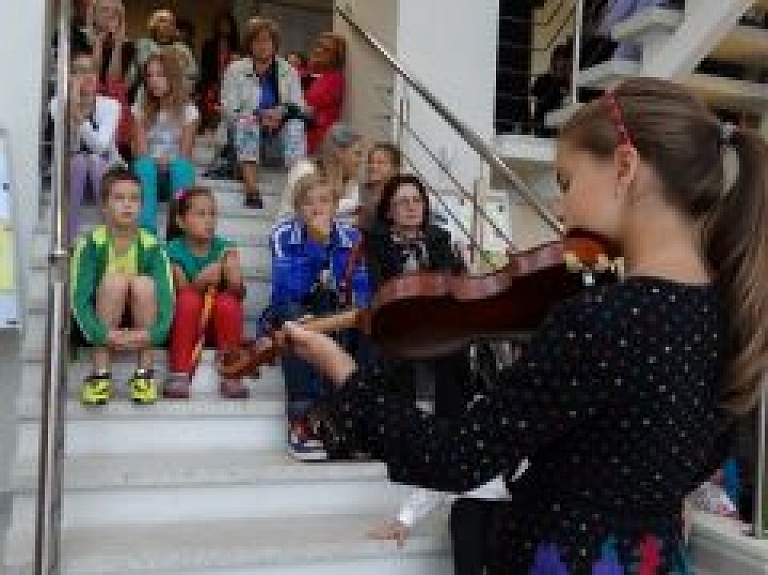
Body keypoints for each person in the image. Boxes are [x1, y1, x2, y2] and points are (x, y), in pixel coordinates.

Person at [281, 77, 768, 572]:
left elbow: (454, 457)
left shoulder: (601, 321)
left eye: (566, 182)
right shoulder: (737, 318)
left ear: (625, 167)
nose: (562, 207)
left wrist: (341, 368)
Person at [268, 171, 371, 461]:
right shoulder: (283, 234)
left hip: (337, 312)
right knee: (295, 319)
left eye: (324, 201)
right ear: (298, 209)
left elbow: (359, 288)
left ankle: (359, 417)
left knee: (370, 321)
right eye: (308, 203)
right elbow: (288, 291)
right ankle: (302, 418)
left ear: (335, 206)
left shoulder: (351, 237)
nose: (317, 209)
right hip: (296, 309)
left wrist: (331, 247)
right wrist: (316, 245)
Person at [70, 167, 174, 406]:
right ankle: (100, 375)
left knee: (145, 284)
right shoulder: (91, 244)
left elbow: (167, 299)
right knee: (114, 280)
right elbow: (78, 299)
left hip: (142, 318)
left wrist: (153, 334)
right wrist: (102, 334)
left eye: (134, 199)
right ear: (104, 206)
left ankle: (144, 376)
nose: (128, 205)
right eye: (119, 198)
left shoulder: (152, 246)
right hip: (101, 318)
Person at [164, 187, 249, 400]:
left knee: (228, 303)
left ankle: (231, 371)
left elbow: (239, 294)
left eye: (212, 213)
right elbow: (178, 296)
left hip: (216, 330)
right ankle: (179, 373)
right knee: (189, 299)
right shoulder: (172, 250)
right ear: (181, 222)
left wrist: (233, 280)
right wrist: (200, 283)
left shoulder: (225, 248)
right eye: (201, 214)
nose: (209, 220)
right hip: (185, 330)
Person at [221, 17, 307, 209]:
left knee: (296, 124)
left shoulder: (289, 71)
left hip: (277, 138)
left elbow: (298, 106)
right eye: (257, 40)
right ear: (249, 44)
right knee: (247, 121)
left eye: (267, 40)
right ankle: (252, 191)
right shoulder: (235, 70)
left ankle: (298, 190)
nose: (262, 45)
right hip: (244, 139)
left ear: (275, 44)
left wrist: (281, 112)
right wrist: (259, 116)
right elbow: (228, 109)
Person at [50, 50, 122, 241]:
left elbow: (101, 147)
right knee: (80, 161)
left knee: (95, 160)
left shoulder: (111, 106)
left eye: (91, 71)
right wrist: (73, 101)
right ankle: (68, 239)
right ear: (69, 76)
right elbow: (71, 146)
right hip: (73, 176)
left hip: (106, 176)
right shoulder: (57, 104)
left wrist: (76, 114)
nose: (87, 76)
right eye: (79, 71)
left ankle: (110, 237)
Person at [131, 49, 198, 234]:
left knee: (182, 167)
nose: (153, 80)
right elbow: (141, 152)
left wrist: (166, 162)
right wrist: (156, 162)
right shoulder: (140, 109)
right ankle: (146, 233)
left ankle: (177, 234)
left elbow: (185, 154)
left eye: (160, 74)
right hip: (148, 177)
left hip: (175, 178)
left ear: (173, 76)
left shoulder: (189, 111)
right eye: (150, 75)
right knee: (144, 166)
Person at [276, 123, 363, 222]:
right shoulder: (306, 170)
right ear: (340, 152)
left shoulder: (349, 180)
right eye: (357, 153)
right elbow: (310, 211)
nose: (360, 160)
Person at [91, 0, 135, 159]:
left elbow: (113, 80)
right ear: (94, 13)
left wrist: (117, 44)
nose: (109, 15)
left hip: (112, 99)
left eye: (114, 11)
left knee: (115, 90)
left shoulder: (128, 45)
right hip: (88, 98)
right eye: (104, 10)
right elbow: (91, 75)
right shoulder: (79, 37)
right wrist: (97, 42)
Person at [132, 9, 198, 97]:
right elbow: (144, 66)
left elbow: (193, 72)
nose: (167, 26)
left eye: (171, 23)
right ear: (154, 25)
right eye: (162, 21)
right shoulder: (144, 44)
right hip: (148, 94)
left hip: (176, 96)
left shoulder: (182, 47)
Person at [303, 33, 346, 155]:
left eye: (326, 49)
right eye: (318, 45)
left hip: (318, 142)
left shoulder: (335, 79)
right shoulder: (318, 75)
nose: (318, 50)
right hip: (305, 136)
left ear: (336, 57)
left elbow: (309, 108)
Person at [199, 9, 240, 130]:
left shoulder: (237, 46)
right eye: (221, 24)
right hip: (213, 84)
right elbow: (205, 67)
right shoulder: (208, 44)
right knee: (212, 113)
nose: (224, 27)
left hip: (232, 85)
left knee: (229, 115)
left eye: (227, 24)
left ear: (232, 26)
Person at [531, 43, 572, 138]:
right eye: (557, 66)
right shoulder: (542, 80)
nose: (560, 69)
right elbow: (539, 101)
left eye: (563, 67)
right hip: (543, 124)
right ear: (552, 62)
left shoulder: (570, 83)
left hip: (562, 124)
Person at [359, 142, 402, 231]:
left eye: (380, 162)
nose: (373, 166)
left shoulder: (402, 192)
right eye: (370, 162)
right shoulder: (364, 188)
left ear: (395, 168)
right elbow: (363, 223)